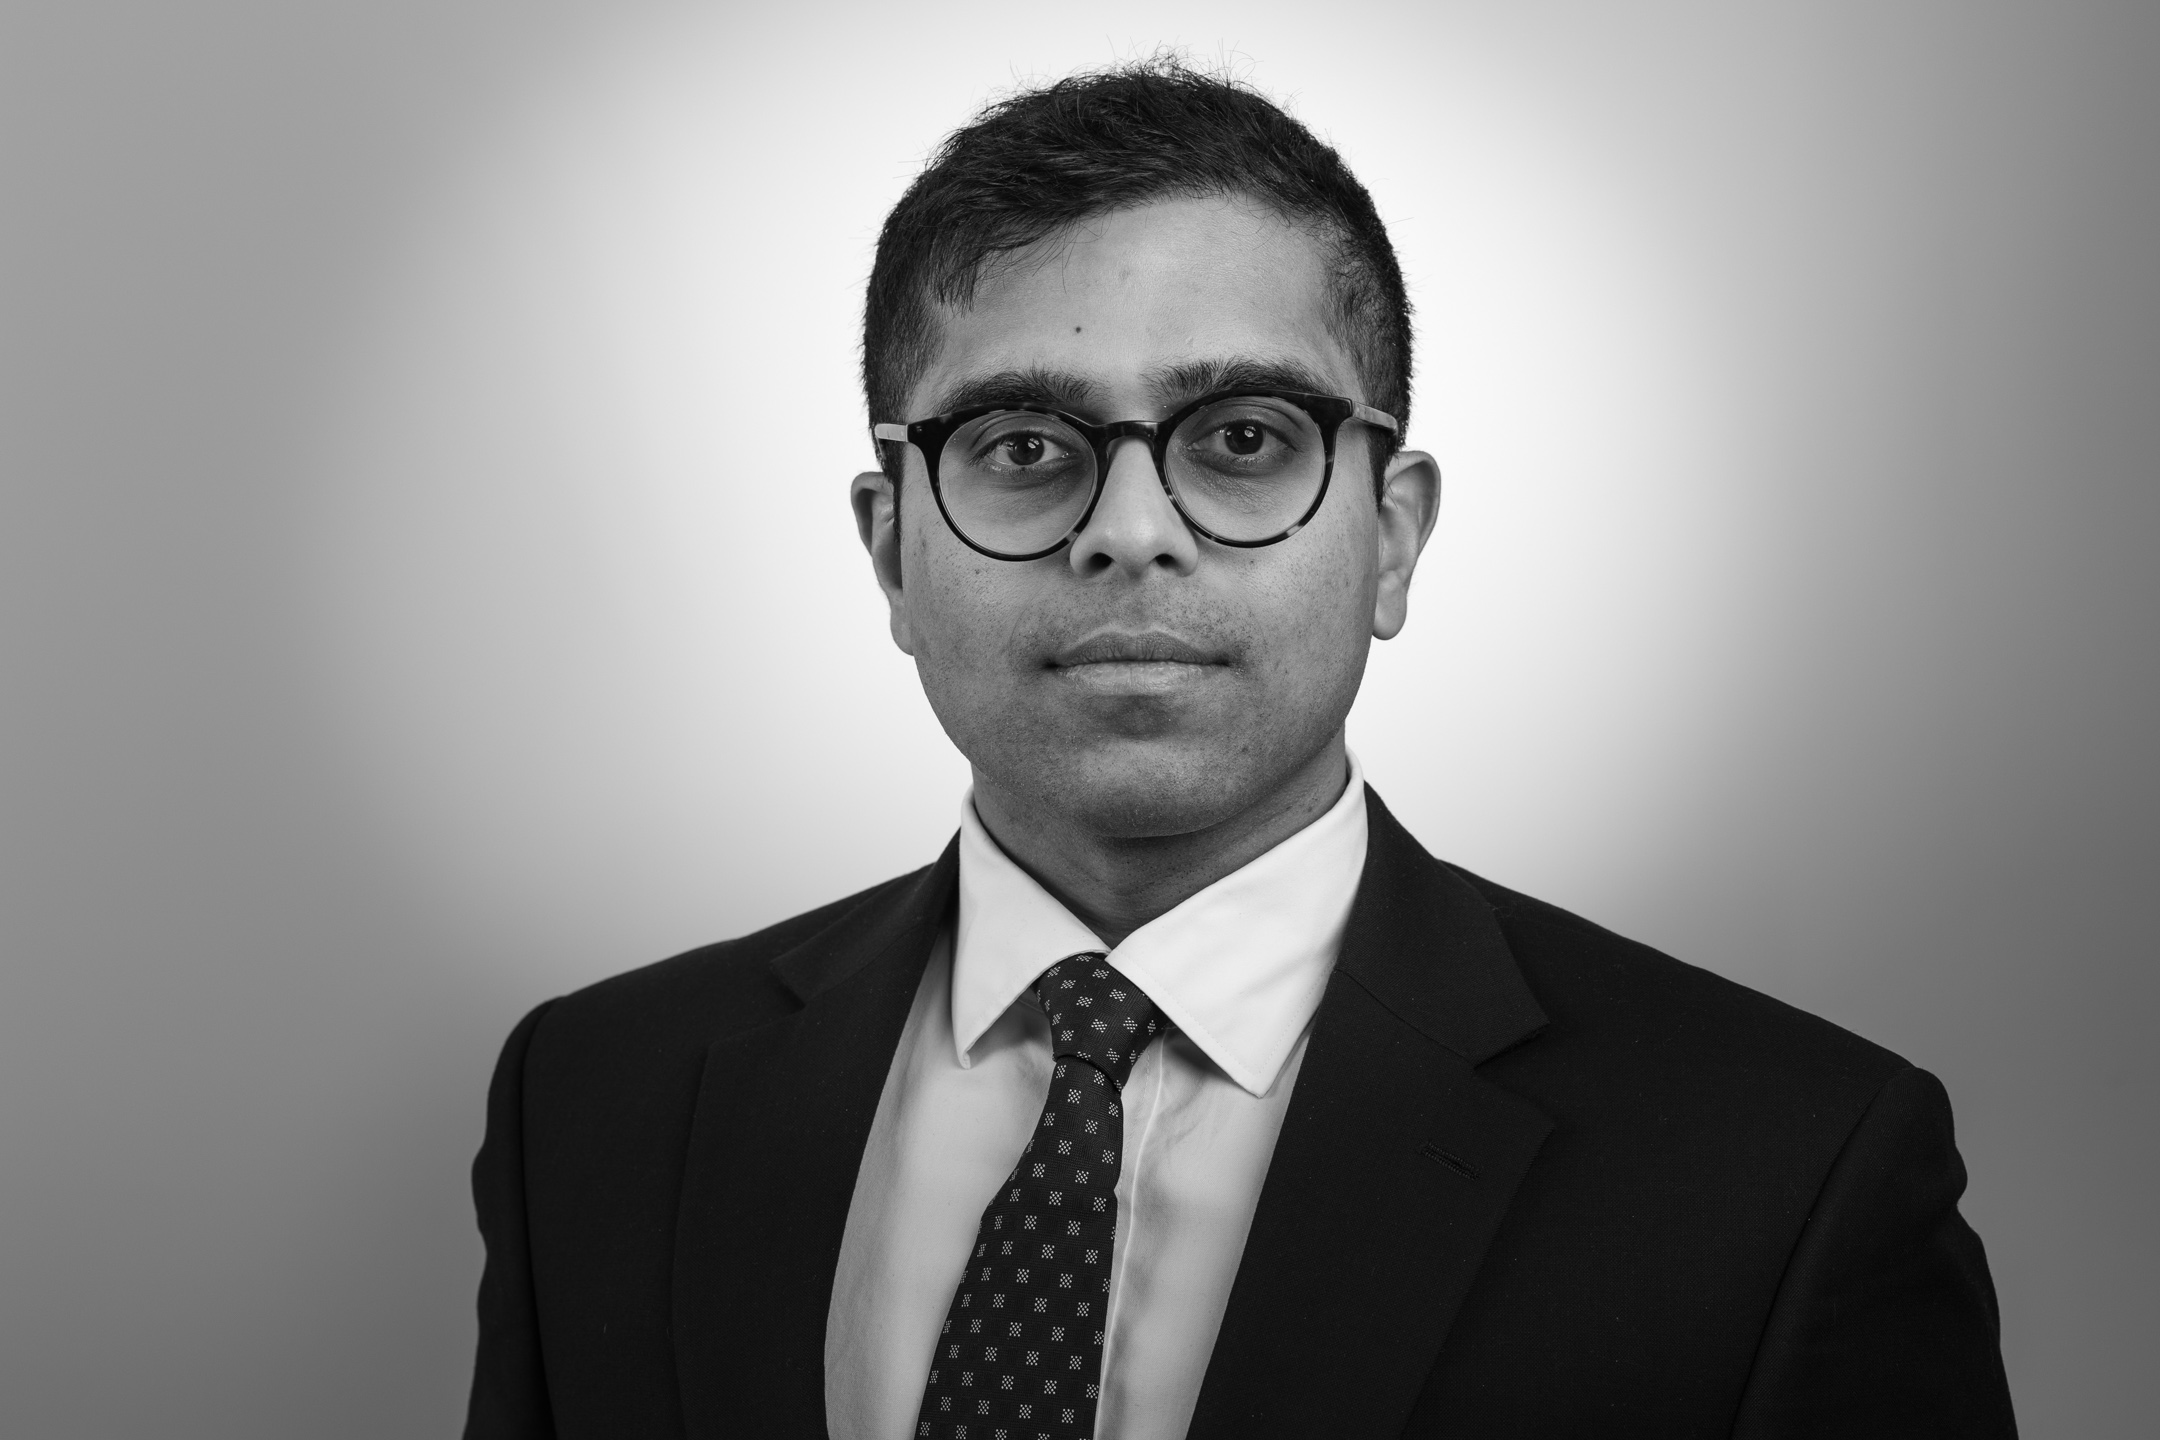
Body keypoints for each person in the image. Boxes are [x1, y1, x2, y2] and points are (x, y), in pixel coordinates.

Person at [463, 61, 2016, 1440]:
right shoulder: (593, 1103)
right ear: (892, 554)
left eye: (1245, 438)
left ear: (1390, 537)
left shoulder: (1788, 1168)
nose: (1132, 532)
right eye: (1023, 448)